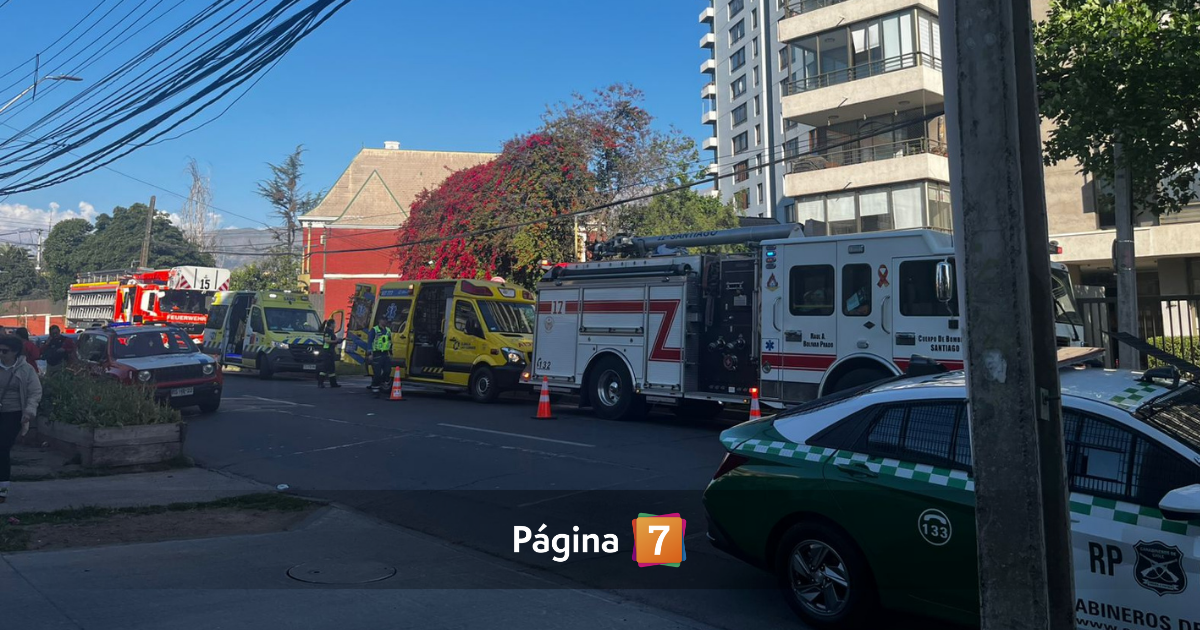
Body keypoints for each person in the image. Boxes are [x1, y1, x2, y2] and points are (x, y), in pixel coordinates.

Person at [0, 335, 42, 503]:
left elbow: (35, 392)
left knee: (2, 448)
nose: (1, 354)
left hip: (14, 413)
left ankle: (2, 489)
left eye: (4, 351)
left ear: (15, 352)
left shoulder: (26, 369)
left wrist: (30, 410)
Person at [367, 317, 392, 397]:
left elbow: (390, 341)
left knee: (388, 371)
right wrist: (370, 353)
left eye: (386, 320)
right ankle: (375, 388)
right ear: (379, 320)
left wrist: (391, 352)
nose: (385, 321)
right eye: (383, 319)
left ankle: (381, 382)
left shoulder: (388, 330)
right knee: (377, 373)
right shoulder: (374, 330)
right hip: (377, 353)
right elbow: (370, 341)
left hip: (385, 354)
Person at [317, 319, 341, 389]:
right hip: (327, 352)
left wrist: (337, 341)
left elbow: (332, 341)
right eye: (335, 324)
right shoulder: (327, 331)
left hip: (330, 351)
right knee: (325, 368)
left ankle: (333, 383)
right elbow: (327, 341)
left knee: (332, 368)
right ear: (331, 324)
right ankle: (320, 383)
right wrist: (336, 341)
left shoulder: (331, 331)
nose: (335, 325)